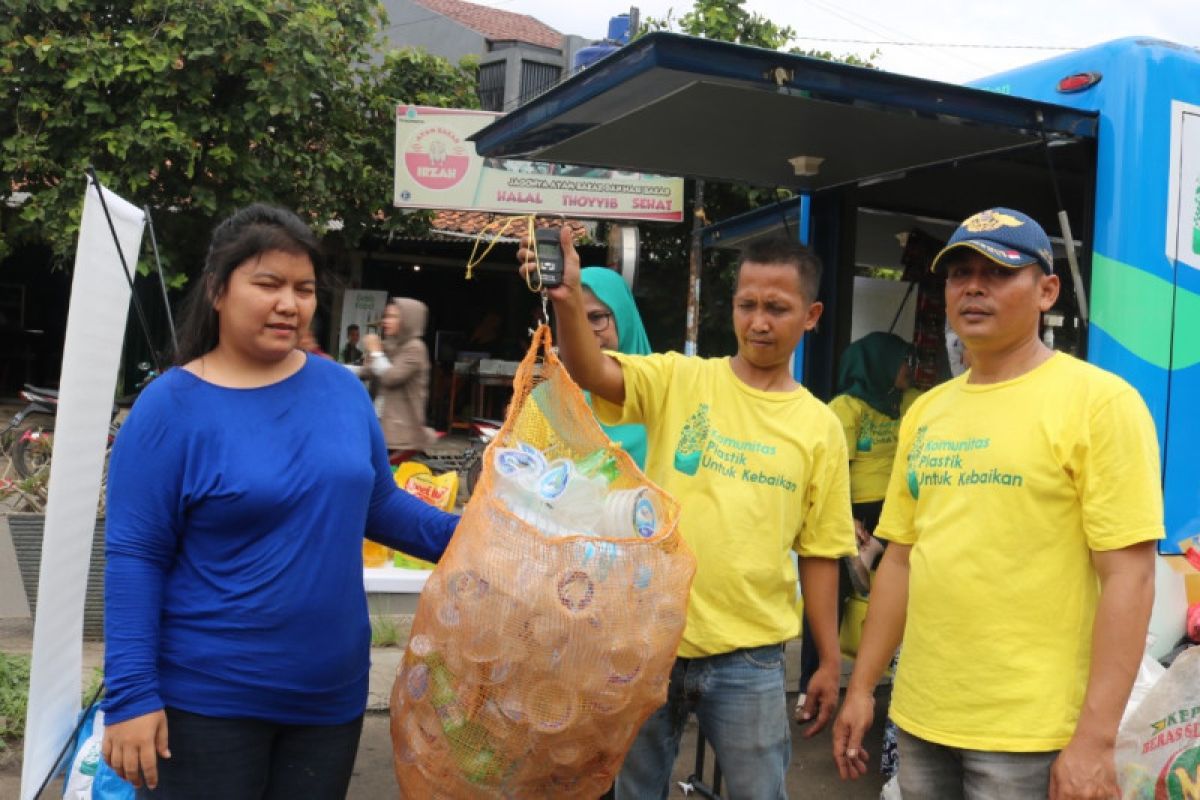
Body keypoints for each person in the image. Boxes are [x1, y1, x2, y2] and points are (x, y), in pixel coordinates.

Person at [100, 204, 459, 798]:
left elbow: (379, 506)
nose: (288, 304)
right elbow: (135, 555)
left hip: (329, 699)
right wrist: (131, 693)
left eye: (304, 288)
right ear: (218, 289)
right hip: (205, 700)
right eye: (267, 284)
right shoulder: (170, 407)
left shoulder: (342, 390)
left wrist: (491, 538)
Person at [832, 208, 1164, 799]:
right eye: (959, 273)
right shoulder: (927, 412)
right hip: (922, 715)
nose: (973, 287)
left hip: (1032, 733)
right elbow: (902, 562)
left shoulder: (1100, 404)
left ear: (1047, 290)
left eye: (999, 271)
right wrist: (862, 688)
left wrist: (1096, 738)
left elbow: (1130, 577)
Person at [520, 230, 856, 800]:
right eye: (747, 305)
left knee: (758, 792)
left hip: (749, 661)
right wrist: (569, 296)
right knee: (635, 789)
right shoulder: (681, 378)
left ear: (812, 315)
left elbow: (820, 552)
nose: (758, 322)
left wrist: (826, 661)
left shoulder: (819, 426)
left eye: (777, 308)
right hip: (649, 647)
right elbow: (592, 370)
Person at [796, 332, 915, 778]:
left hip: (893, 518)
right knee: (827, 604)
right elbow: (832, 470)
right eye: (904, 360)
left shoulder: (907, 402)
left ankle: (871, 689)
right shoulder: (845, 409)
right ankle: (816, 688)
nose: (910, 368)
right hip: (853, 516)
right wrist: (847, 520)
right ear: (879, 365)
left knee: (890, 602)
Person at [579, 266, 653, 469]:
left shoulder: (662, 396)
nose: (585, 332)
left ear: (624, 318)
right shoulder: (549, 402)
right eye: (575, 319)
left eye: (596, 318)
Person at [360, 298, 437, 456]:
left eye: (393, 317)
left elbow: (391, 377)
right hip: (382, 427)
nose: (386, 321)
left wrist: (375, 351)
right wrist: (332, 368)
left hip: (402, 435)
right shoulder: (390, 345)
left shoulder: (415, 348)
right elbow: (366, 372)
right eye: (386, 316)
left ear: (409, 320)